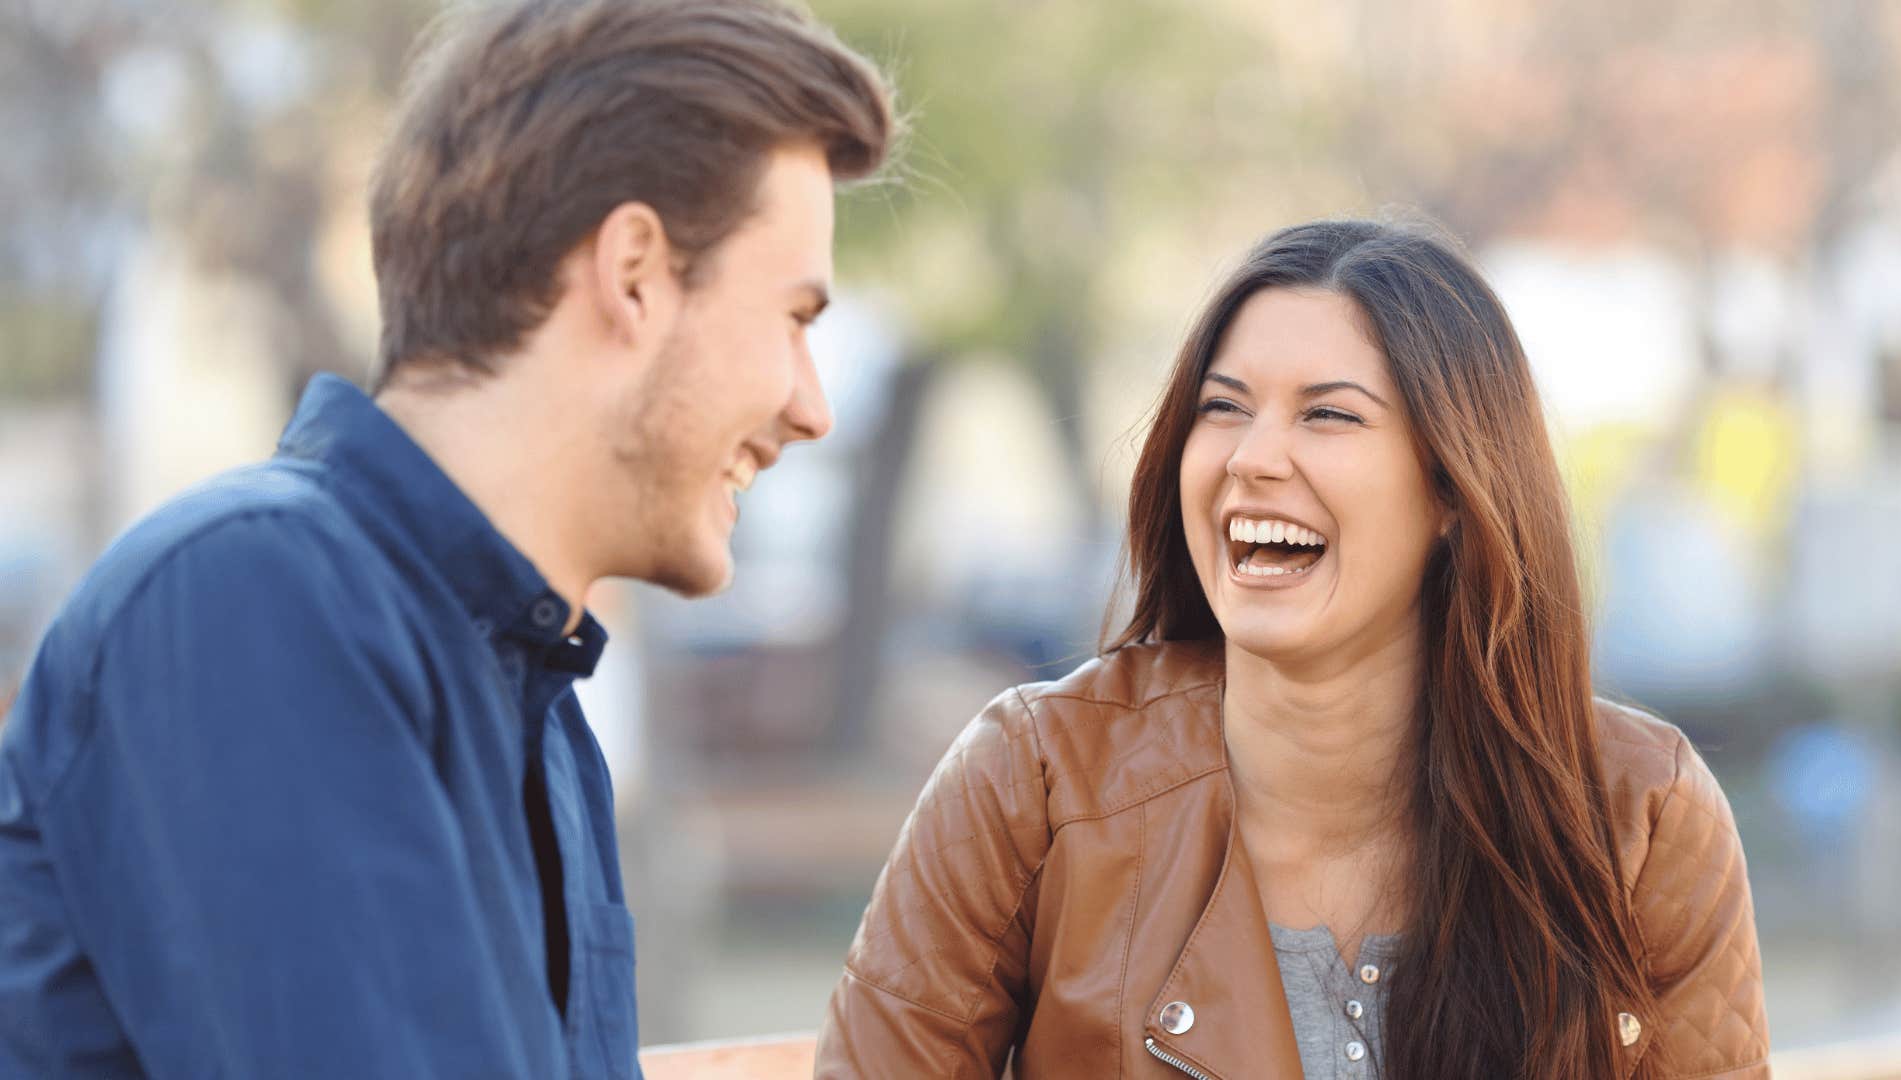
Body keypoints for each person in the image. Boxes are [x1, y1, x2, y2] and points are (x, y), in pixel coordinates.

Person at [0, 1, 893, 1076]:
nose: (812, 406)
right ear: (635, 273)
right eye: (796, 318)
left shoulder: (544, 726)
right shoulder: (256, 602)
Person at [816, 220, 1769, 1080]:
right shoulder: (1035, 781)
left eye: (1328, 414)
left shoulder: (1642, 818)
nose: (1252, 457)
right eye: (1223, 408)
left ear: (1453, 490)